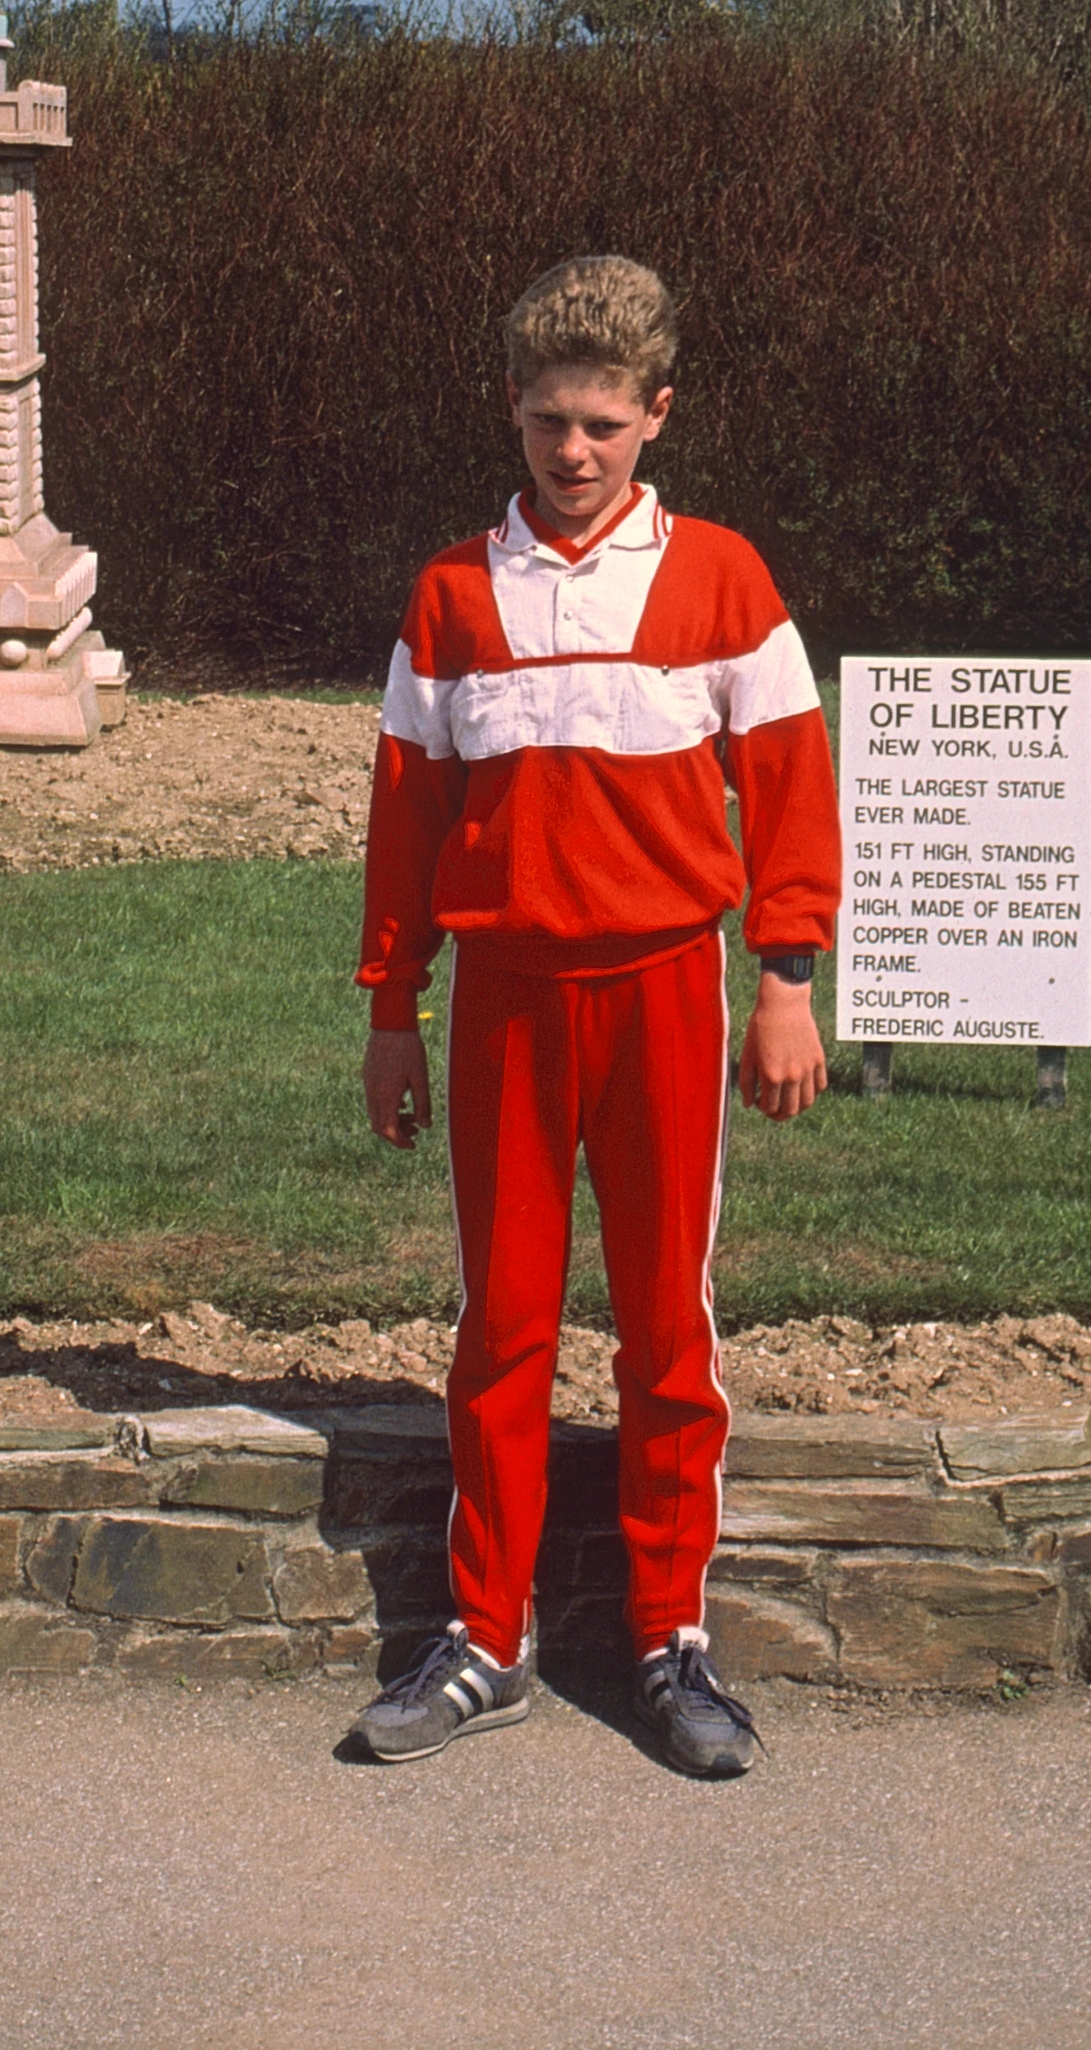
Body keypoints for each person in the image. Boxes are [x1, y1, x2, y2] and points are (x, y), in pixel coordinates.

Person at [351, 255, 839, 1780]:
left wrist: (783, 975)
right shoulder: (450, 593)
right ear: (511, 410)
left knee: (661, 1325)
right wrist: (390, 1004)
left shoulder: (720, 578)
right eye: (549, 420)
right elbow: (404, 815)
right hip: (501, 999)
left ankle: (663, 1637)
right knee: (500, 1326)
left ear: (654, 418)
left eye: (603, 424)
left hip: (659, 994)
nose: (573, 452)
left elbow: (788, 788)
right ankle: (481, 1634)